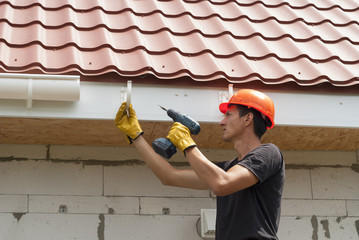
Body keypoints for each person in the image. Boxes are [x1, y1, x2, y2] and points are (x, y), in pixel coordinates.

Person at [115, 89, 285, 240]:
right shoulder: (226, 169)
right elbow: (169, 176)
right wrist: (136, 136)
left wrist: (186, 142)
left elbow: (222, 184)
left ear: (248, 118)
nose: (222, 122)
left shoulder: (269, 153)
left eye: (229, 115)